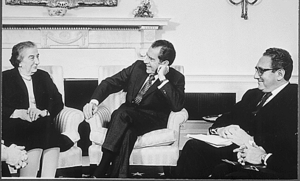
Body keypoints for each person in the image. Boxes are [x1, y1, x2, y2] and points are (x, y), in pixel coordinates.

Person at [173, 47, 297, 179]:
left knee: (225, 171)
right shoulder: (252, 94)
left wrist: (250, 140)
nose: (255, 76)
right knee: (194, 147)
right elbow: (228, 116)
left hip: (264, 156)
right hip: (236, 150)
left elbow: (286, 140)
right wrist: (221, 129)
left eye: (261, 71)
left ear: (280, 74)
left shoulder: (294, 98)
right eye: (256, 69)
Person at [83, 39, 185, 178]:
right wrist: (94, 102)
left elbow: (177, 105)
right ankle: (119, 176)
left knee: (121, 113)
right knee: (128, 132)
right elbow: (111, 82)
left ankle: (102, 167)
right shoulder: (138, 67)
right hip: (128, 116)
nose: (145, 61)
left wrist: (162, 78)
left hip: (151, 119)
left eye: (151, 58)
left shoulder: (176, 78)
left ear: (164, 63)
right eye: (146, 56)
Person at [2, 41, 73, 178]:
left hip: (41, 123)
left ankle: (48, 178)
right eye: (32, 57)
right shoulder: (5, 78)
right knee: (40, 128)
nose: (37, 61)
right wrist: (17, 113)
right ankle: (28, 178)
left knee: (45, 124)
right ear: (19, 61)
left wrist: (43, 111)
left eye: (37, 56)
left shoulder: (43, 76)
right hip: (14, 126)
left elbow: (57, 101)